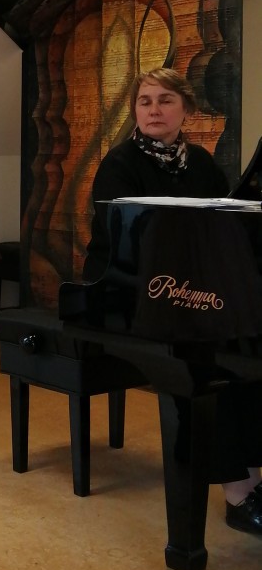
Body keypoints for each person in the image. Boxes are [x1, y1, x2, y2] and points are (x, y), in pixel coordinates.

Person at [83, 67, 262, 538]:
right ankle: (238, 493)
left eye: (165, 100)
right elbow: (126, 243)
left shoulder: (200, 163)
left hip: (191, 286)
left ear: (186, 109)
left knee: (249, 348)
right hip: (130, 288)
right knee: (213, 358)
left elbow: (227, 225)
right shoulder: (120, 164)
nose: (154, 110)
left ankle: (255, 476)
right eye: (145, 101)